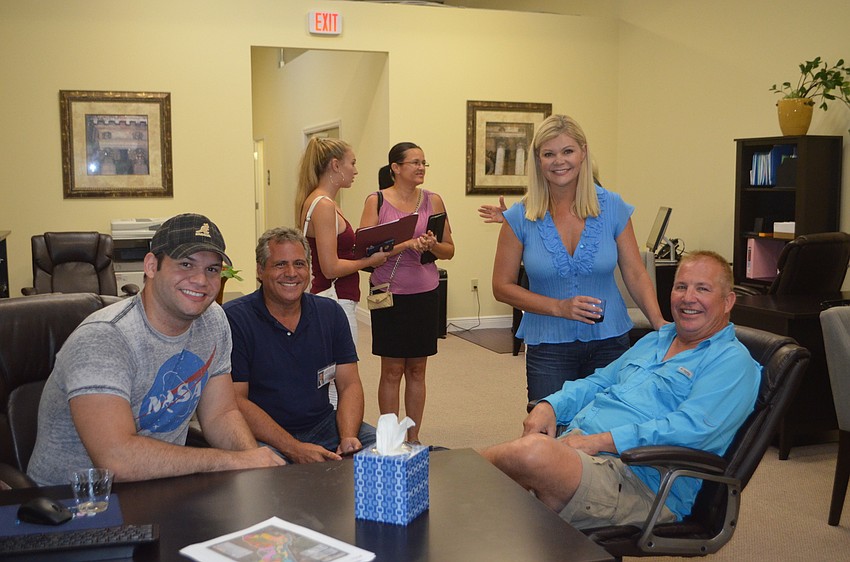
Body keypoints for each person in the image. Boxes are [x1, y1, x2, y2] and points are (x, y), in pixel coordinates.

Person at [482, 251, 761, 529]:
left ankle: (450, 469)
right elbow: (600, 381)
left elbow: (691, 429)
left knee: (531, 455)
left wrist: (601, 441)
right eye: (681, 287)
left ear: (727, 302)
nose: (689, 298)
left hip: (642, 481)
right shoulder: (657, 339)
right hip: (581, 448)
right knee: (501, 506)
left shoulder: (732, 361)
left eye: (703, 289)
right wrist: (550, 405)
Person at [27, 213, 285, 486]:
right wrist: (232, 462)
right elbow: (117, 459)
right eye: (186, 264)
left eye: (212, 269)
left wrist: (254, 465)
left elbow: (221, 415)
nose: (201, 280)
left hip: (155, 486)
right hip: (73, 504)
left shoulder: (213, 320)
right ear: (151, 266)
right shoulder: (105, 337)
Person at [491, 114, 666, 401]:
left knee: (605, 428)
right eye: (549, 154)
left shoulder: (613, 207)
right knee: (549, 432)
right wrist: (558, 307)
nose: (559, 161)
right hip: (548, 345)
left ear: (583, 152)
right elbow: (502, 287)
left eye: (567, 151)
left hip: (610, 341)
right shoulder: (519, 217)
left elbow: (635, 273)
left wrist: (659, 322)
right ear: (537, 160)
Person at [223, 227, 375, 463]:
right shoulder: (235, 319)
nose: (291, 273)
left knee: (386, 452)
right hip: (266, 436)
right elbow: (236, 401)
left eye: (299, 264)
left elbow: (349, 384)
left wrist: (347, 437)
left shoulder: (330, 313)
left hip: (324, 425)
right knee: (269, 476)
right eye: (280, 264)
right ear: (260, 271)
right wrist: (294, 448)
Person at [359, 142, 455, 444]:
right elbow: (365, 250)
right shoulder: (375, 201)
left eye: (424, 163)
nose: (421, 168)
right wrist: (406, 245)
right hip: (389, 293)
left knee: (417, 370)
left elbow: (449, 250)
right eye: (414, 162)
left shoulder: (433, 201)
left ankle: (413, 438)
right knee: (391, 370)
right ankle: (389, 439)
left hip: (425, 292)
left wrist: (431, 245)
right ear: (395, 168)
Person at [295, 137, 388, 341]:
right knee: (344, 369)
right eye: (352, 163)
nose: (355, 171)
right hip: (334, 299)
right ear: (336, 165)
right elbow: (330, 268)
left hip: (336, 297)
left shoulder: (322, 201)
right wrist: (369, 261)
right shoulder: (324, 205)